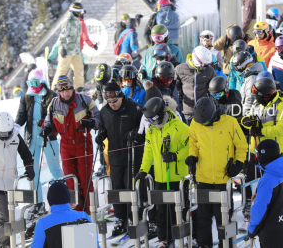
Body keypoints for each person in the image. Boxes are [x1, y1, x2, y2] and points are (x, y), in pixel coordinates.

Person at [186, 97, 247, 248]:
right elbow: (193, 142)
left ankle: (226, 245)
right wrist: (192, 156)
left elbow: (242, 145)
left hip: (223, 179)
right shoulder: (195, 122)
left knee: (224, 218)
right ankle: (204, 245)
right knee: (203, 218)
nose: (204, 125)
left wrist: (238, 163)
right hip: (203, 177)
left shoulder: (230, 122)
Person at [135, 97, 189, 248]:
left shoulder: (180, 127)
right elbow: (148, 151)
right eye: (149, 121)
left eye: (153, 120)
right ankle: (164, 238)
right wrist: (143, 170)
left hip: (177, 177)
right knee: (161, 210)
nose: (151, 123)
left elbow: (191, 146)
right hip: (160, 177)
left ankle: (180, 238)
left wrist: (176, 156)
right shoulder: (152, 130)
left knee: (178, 209)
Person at [40, 75, 100, 212]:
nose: (66, 94)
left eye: (68, 90)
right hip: (65, 146)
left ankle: (89, 211)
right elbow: (49, 121)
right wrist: (47, 129)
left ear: (72, 89)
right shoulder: (54, 104)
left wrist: (91, 123)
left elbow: (98, 118)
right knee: (70, 182)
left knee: (85, 180)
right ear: (59, 91)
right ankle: (76, 211)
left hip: (83, 143)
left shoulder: (85, 100)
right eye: (62, 91)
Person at [95, 81, 143, 237]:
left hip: (132, 155)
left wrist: (135, 133)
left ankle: (134, 216)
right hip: (115, 157)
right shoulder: (104, 111)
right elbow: (103, 128)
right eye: (109, 101)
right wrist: (101, 135)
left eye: (114, 100)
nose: (112, 104)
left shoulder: (134, 108)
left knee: (131, 186)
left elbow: (144, 129)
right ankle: (120, 218)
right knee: (117, 189)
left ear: (120, 96)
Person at [241, 77, 283, 224]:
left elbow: (281, 128)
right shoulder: (258, 103)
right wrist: (248, 122)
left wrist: (260, 129)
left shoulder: (282, 106)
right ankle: (250, 204)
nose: (255, 97)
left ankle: (276, 205)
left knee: (272, 182)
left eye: (257, 94)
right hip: (256, 149)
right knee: (252, 177)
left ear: (265, 95)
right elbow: (251, 117)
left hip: (273, 152)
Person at [15, 68, 63, 215]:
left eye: (36, 82)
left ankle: (63, 199)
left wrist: (47, 124)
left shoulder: (52, 96)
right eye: (31, 83)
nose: (33, 86)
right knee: (33, 170)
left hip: (47, 134)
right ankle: (38, 202)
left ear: (42, 82)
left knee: (54, 167)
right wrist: (14, 127)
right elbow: (21, 115)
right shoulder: (26, 97)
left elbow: (57, 116)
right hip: (32, 135)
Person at [0, 112, 34, 247]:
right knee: (3, 218)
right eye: (1, 133)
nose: (4, 136)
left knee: (9, 218)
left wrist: (29, 167)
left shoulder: (15, 137)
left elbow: (26, 153)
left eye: (6, 133)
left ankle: (2, 241)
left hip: (10, 183)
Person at [248, 139, 283, 248]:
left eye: (258, 153)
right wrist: (259, 190)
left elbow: (259, 209)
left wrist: (252, 230)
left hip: (271, 237)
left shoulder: (268, 179)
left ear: (265, 154)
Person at [31, 181, 97, 248]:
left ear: (49, 200)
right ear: (69, 197)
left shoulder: (43, 224)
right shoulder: (83, 216)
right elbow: (95, 243)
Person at [51, 2, 98, 89]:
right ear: (76, 12)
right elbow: (62, 36)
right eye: (81, 12)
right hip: (67, 51)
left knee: (79, 70)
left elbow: (82, 37)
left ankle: (79, 88)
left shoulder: (78, 22)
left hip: (76, 51)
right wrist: (62, 49)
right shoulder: (68, 21)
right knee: (62, 70)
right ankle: (55, 89)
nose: (82, 14)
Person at [175, 46, 216, 125]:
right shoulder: (180, 69)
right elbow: (176, 88)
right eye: (205, 65)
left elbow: (213, 90)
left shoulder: (210, 71)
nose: (207, 67)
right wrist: (179, 103)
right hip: (187, 111)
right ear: (198, 62)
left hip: (204, 111)